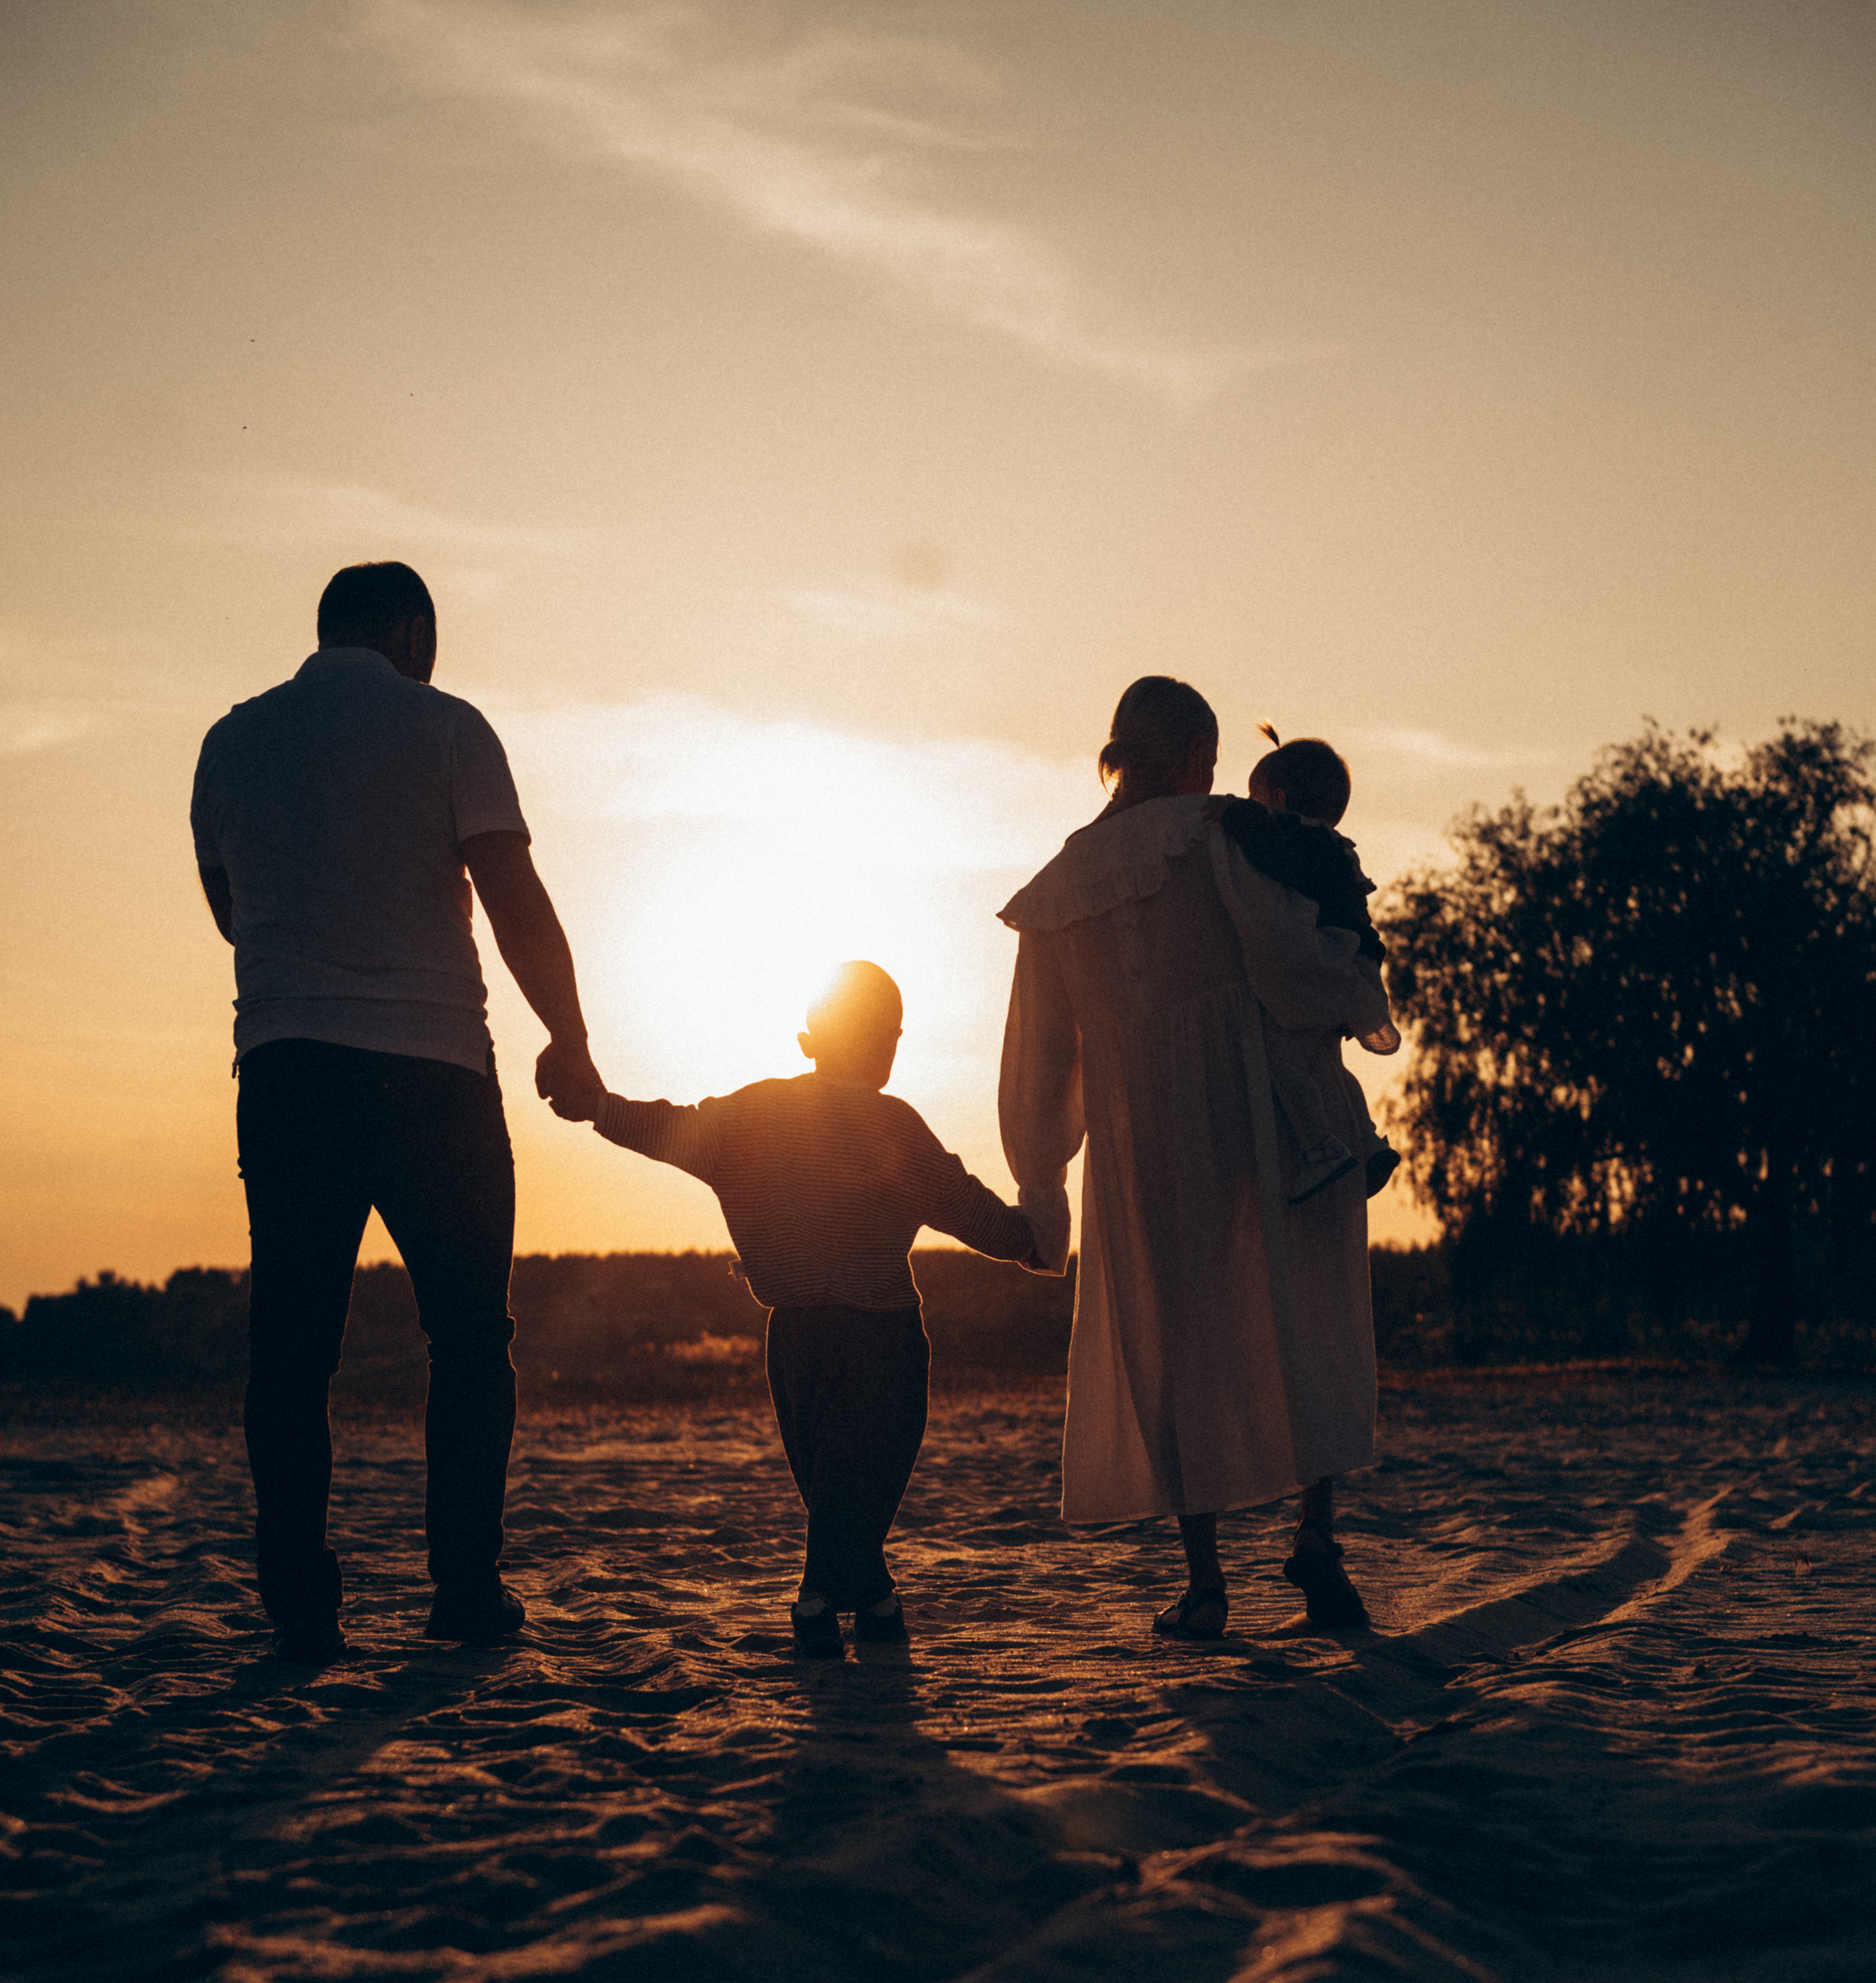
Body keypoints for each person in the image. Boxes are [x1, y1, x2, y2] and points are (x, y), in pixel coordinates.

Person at [191, 560, 602, 1663]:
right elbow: (513, 899)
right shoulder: (450, 728)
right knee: (467, 1340)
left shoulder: (231, 741)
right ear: (412, 633)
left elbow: (233, 911)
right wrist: (569, 1036)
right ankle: (464, 1591)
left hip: (288, 1070)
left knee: (291, 1352)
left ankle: (300, 1607)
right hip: (433, 1072)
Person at [997, 675, 1394, 1639]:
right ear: (1188, 757)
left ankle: (1206, 1582)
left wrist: (1042, 1172)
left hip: (1142, 1136)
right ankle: (1316, 1533)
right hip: (1254, 1105)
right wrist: (1354, 987)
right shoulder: (1217, 836)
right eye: (1209, 760)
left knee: (1177, 1337)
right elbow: (1286, 955)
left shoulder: (1058, 888)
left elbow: (1040, 1052)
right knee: (1303, 1309)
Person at [548, 961, 1043, 1657]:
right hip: (881, 1333)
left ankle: (865, 1601)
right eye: (892, 1033)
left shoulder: (753, 1115)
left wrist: (601, 1107)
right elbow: (965, 1205)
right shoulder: (893, 1125)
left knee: (830, 1475)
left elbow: (670, 1128)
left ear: (813, 1038)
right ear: (878, 1041)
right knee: (855, 1475)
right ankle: (831, 1600)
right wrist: (1030, 1240)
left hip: (794, 1336)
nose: (894, 1046)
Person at [1219, 731, 1402, 1203]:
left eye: (1257, 799)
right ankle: (1368, 1140)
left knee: (1279, 1054)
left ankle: (1320, 1146)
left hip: (1330, 963)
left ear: (1279, 800)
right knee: (1324, 1061)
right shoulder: (1333, 848)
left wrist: (1230, 812)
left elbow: (1267, 850)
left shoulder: (1301, 841)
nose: (1251, 807)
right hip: (1351, 967)